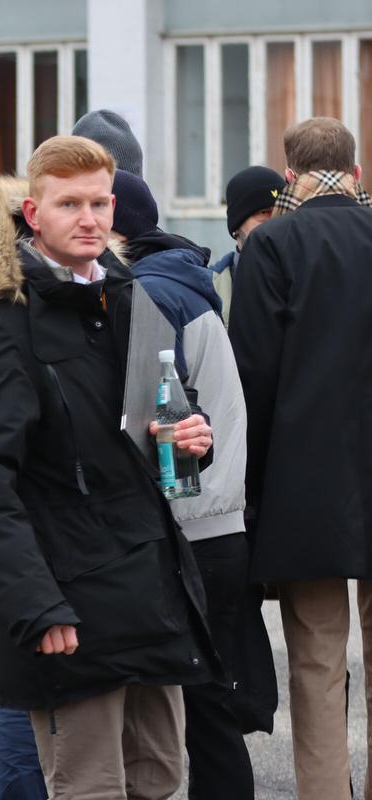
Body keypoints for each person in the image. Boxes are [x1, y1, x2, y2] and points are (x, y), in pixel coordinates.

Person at [0, 136, 217, 797]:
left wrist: (190, 433)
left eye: (99, 203)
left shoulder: (127, 299)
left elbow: (155, 422)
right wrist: (35, 605)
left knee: (159, 778)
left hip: (148, 592)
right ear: (33, 213)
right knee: (90, 787)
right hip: (69, 605)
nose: (89, 219)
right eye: (69, 205)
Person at [229, 116, 372, 798]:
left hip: (304, 487)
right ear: (358, 171)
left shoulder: (272, 244)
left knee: (316, 661)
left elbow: (252, 377)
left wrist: (249, 491)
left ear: (289, 176)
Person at [111, 169, 262, 799]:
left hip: (188, 527)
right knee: (210, 708)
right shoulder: (182, 280)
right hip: (219, 521)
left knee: (192, 712)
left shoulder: (148, 294)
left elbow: (147, 423)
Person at [210, 166, 285, 325]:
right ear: (237, 226)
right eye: (264, 213)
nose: (275, 223)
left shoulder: (303, 278)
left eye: (280, 213)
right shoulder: (211, 289)